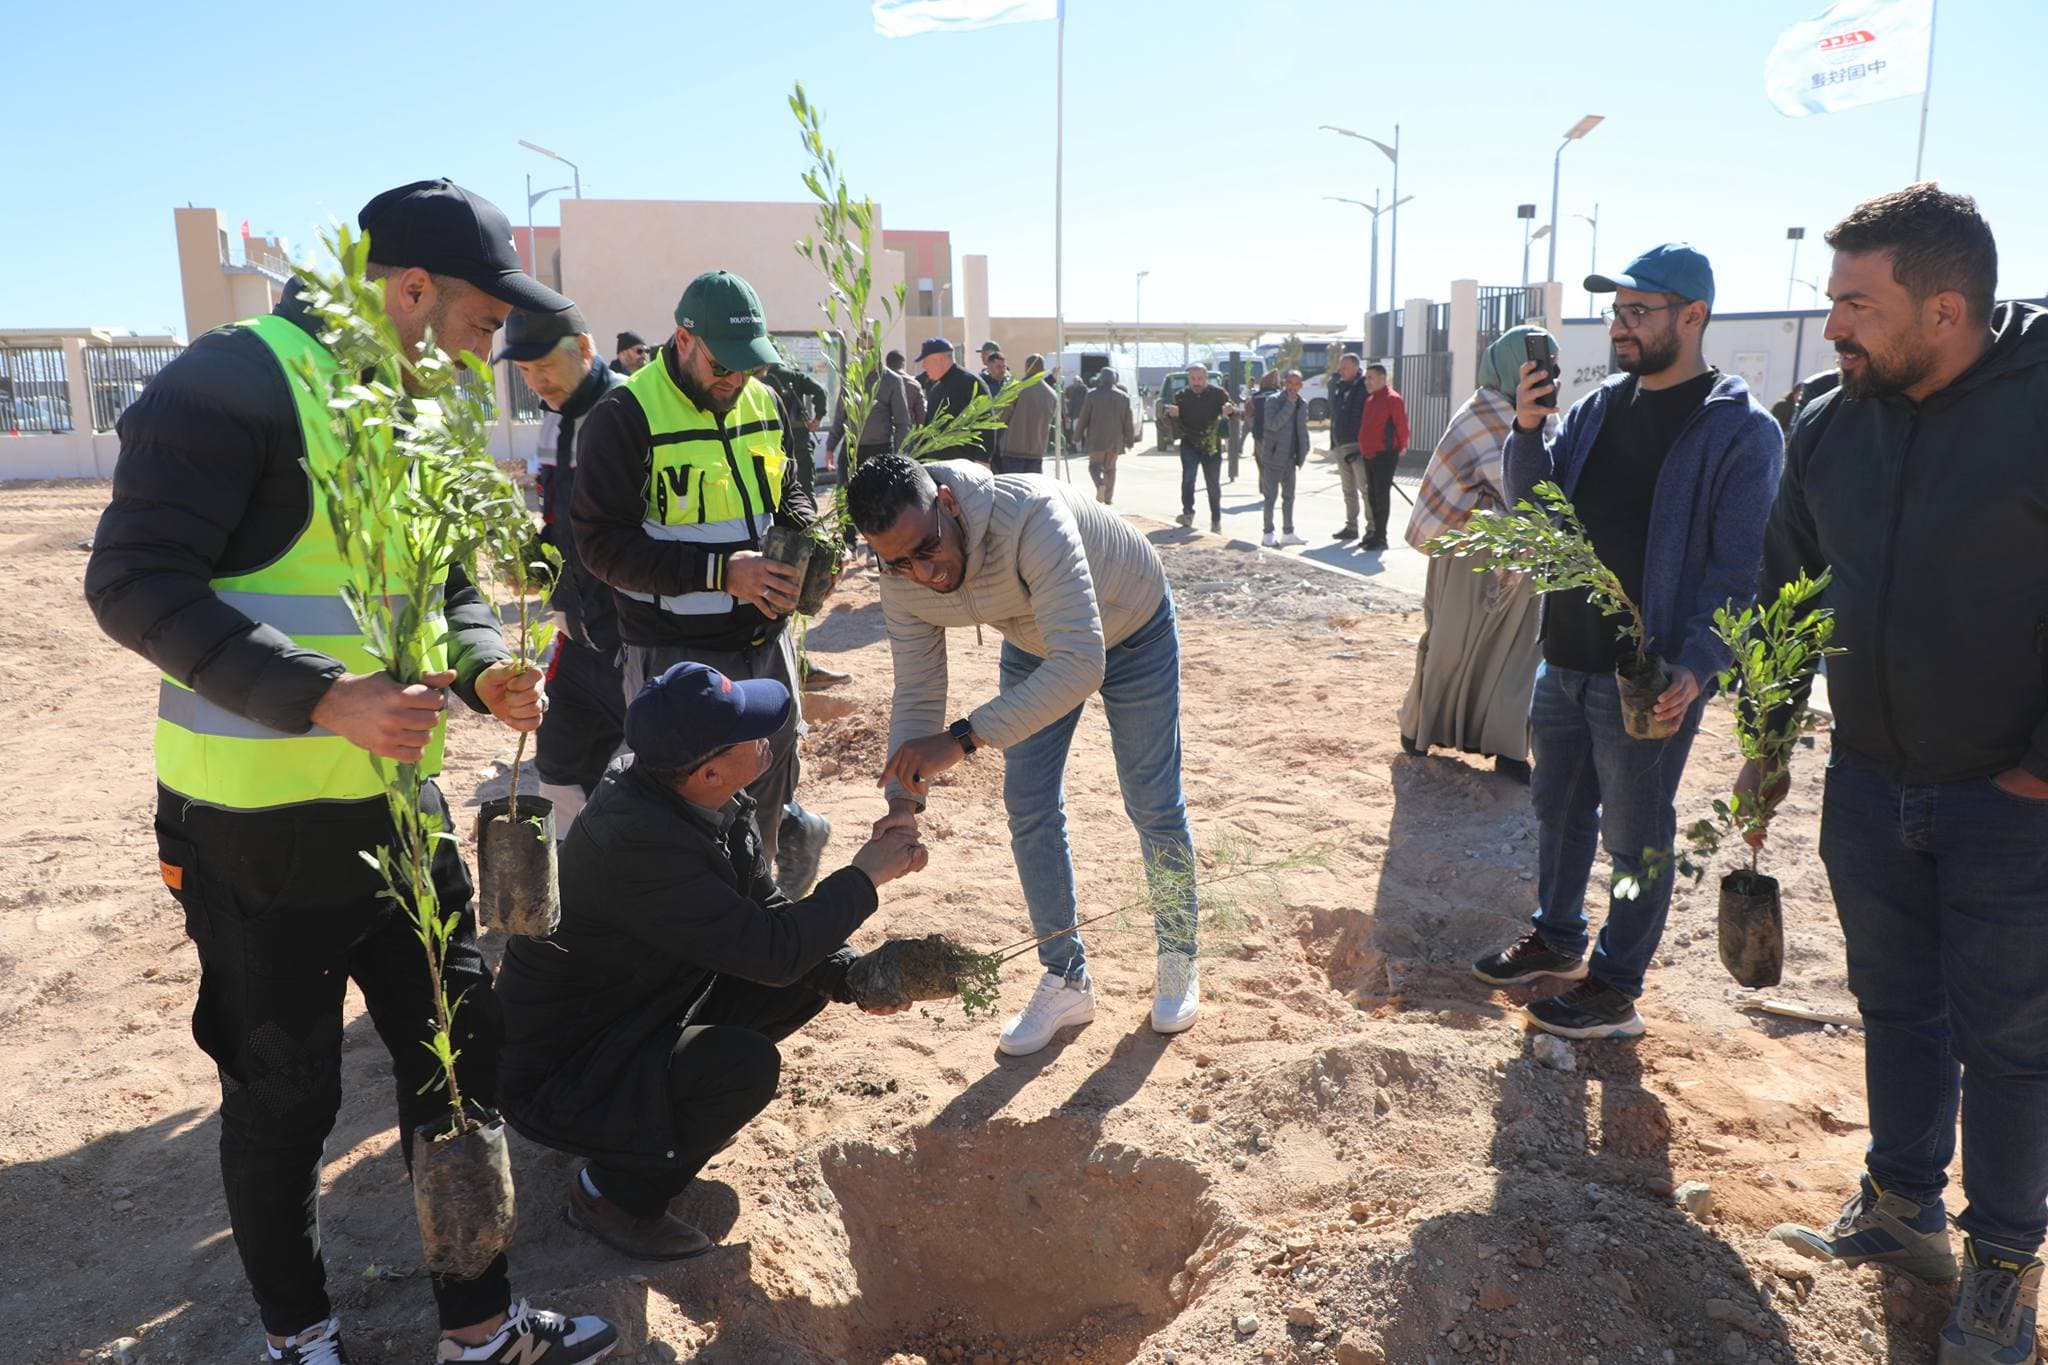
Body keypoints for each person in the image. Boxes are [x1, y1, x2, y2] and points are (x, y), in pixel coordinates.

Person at [83, 178, 618, 1365]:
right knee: (284, 1097)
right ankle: (299, 1338)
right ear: (412, 289)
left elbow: (448, 587)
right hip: (251, 832)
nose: (487, 353)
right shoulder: (235, 380)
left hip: (398, 814)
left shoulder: (414, 413)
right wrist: (324, 696)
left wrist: (480, 669)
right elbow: (131, 583)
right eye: (481, 323)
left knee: (457, 1060)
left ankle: (480, 1331)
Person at [1748, 184, 2048, 1365]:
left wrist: (2038, 774)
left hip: (2010, 803)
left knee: (2012, 1042)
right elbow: (1784, 592)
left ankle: (2003, 1266)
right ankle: (1901, 1205)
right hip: (1868, 786)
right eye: (1831, 301)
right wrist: (1766, 744)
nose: (1831, 327)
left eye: (1854, 306)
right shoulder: (1829, 426)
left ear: (1943, 310)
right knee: (1894, 1006)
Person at [496, 662, 927, 1260]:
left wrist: (855, 976)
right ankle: (611, 1196)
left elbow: (767, 916)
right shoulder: (640, 843)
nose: (767, 737)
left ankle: (653, 1124)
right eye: (750, 733)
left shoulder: (695, 799)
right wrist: (865, 876)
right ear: (709, 770)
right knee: (742, 1066)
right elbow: (774, 952)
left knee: (806, 975)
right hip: (559, 1075)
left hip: (627, 1018)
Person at [1469, 243, 1783, 1041]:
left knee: (1637, 834)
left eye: (1639, 311)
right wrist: (1528, 430)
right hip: (1564, 654)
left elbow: (1738, 571)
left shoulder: (1742, 431)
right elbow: (1538, 513)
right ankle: (1557, 937)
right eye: (1616, 311)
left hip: (1649, 677)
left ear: (1694, 316)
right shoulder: (1600, 406)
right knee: (1558, 806)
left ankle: (1615, 986)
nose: (1620, 326)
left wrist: (1697, 665)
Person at [847, 455, 1203, 1055]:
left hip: (1132, 625)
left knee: (1152, 801)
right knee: (1029, 803)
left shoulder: (1032, 516)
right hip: (1036, 640)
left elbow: (1081, 664)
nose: (923, 572)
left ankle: (1177, 957)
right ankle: (1066, 978)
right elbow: (918, 688)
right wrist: (903, 802)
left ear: (948, 503)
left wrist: (962, 739)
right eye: (899, 562)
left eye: (928, 548)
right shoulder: (901, 574)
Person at [571, 269, 820, 877]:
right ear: (683, 340)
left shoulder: (765, 402)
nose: (735, 380)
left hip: (767, 643)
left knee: (766, 788)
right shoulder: (624, 415)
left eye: (748, 366)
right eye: (722, 365)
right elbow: (601, 546)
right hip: (676, 658)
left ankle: (760, 893)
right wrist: (720, 573)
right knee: (690, 814)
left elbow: (792, 490)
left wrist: (805, 544)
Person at [1400, 326, 1555, 781]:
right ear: (1509, 366)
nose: (1545, 372)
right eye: (1534, 363)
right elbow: (1462, 486)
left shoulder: (1548, 419)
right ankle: (1420, 729)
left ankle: (1509, 749)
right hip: (1469, 555)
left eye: (1549, 363)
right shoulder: (1478, 415)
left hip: (1525, 559)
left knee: (1518, 654)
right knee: (1451, 646)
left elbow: (1549, 488)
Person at [499, 304, 628, 829]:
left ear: (585, 349)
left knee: (659, 777)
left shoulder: (631, 410)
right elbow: (556, 524)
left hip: (634, 643)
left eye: (545, 366)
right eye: (525, 371)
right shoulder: (553, 422)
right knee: (557, 767)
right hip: (575, 643)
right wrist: (533, 561)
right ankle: (576, 875)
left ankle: (790, 825)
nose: (536, 382)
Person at [1166, 362, 1235, 533]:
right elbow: (1172, 423)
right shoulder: (1181, 396)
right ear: (1189, 379)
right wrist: (1171, 415)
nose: (1196, 382)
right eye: (1193, 379)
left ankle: (1216, 521)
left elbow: (1233, 413)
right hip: (1189, 443)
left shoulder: (1219, 394)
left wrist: (1230, 410)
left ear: (1206, 378)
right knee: (1188, 479)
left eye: (1200, 378)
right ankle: (1188, 514)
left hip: (1212, 445)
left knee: (1213, 483)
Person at [1355, 363, 1411, 551]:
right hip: (1369, 453)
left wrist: (1402, 445)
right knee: (1372, 495)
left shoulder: (1392, 399)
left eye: (1371, 378)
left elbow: (1401, 425)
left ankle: (1381, 537)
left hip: (1385, 454)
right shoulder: (1370, 399)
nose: (1367, 381)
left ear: (1382, 378)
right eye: (1366, 378)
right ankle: (1374, 533)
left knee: (1381, 495)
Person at [828, 356, 913, 468]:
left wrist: (900, 455)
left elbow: (902, 422)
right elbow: (840, 416)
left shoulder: (892, 380)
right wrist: (830, 447)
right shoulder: (851, 378)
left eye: (871, 348)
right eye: (862, 348)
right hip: (851, 449)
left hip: (880, 449)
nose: (866, 352)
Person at [915, 337, 992, 462]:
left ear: (939, 359)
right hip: (938, 463)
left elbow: (986, 423)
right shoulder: (936, 389)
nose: (923, 366)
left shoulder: (971, 383)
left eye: (925, 361)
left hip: (967, 464)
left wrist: (982, 460)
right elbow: (929, 429)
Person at [762, 359, 831, 494]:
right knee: (805, 487)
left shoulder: (758, 381)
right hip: (798, 437)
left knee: (776, 488)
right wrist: (817, 419)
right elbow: (820, 390)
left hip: (771, 439)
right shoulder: (794, 376)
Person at [1257, 369, 1309, 547]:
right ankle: (1268, 533)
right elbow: (1272, 425)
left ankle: (1288, 532)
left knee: (1289, 497)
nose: (1293, 387)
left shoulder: (1302, 404)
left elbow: (1302, 429)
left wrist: (1304, 448)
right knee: (1270, 497)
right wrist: (1288, 405)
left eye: (1297, 384)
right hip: (1273, 458)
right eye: (1290, 383)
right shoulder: (1273, 401)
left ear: (1301, 385)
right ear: (1284, 383)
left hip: (1291, 458)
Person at [1073, 366, 1136, 503]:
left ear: (1101, 379)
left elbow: (1084, 417)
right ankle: (1108, 498)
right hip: (1115, 441)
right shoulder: (1123, 397)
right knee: (1110, 469)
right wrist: (1130, 441)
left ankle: (1100, 484)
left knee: (1094, 466)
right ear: (1115, 380)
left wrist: (1076, 436)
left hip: (1096, 440)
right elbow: (1128, 421)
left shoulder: (1092, 395)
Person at [1328, 353, 1372, 540]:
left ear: (1355, 367)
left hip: (1357, 447)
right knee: (1348, 490)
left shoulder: (1365, 387)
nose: (1341, 371)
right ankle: (1351, 527)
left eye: (1344, 368)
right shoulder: (1340, 387)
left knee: (1365, 489)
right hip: (1340, 445)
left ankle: (1372, 528)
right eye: (1340, 368)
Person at [996, 353, 1058, 475]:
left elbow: (1000, 417)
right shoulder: (1051, 395)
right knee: (1032, 486)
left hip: (1012, 450)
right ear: (1043, 369)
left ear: (1026, 367)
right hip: (1037, 451)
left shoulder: (1015, 389)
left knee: (1013, 485)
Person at [888, 348, 928, 425]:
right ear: (903, 364)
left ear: (887, 365)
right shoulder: (914, 384)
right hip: (908, 428)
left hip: (885, 429)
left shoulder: (880, 383)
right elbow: (921, 414)